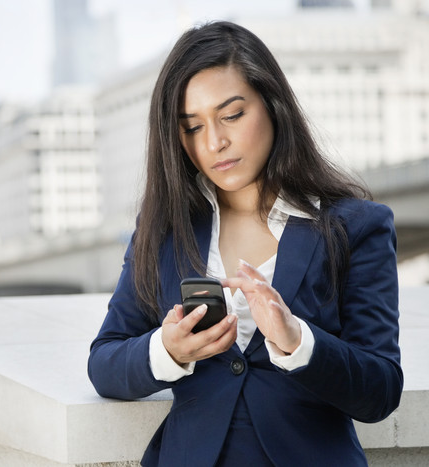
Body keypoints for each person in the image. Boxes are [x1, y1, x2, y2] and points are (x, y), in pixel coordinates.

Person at [88, 21, 402, 467]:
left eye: (232, 115)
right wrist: (168, 350)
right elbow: (105, 362)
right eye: (192, 127)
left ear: (273, 105)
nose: (215, 142)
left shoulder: (355, 228)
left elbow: (381, 390)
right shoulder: (165, 231)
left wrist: (299, 342)